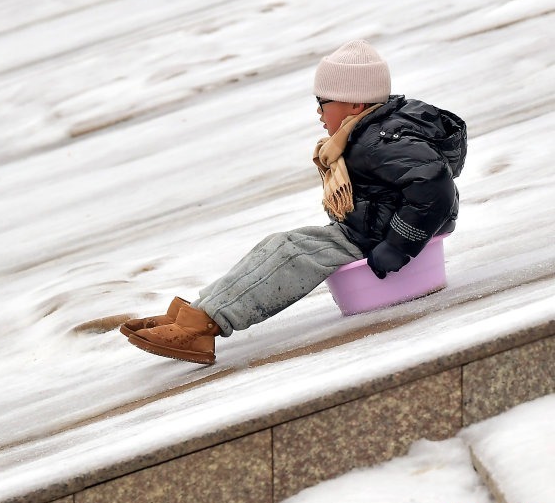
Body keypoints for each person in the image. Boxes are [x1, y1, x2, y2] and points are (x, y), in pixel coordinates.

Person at [120, 40, 467, 365]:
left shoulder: (378, 142)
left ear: (355, 105)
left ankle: (203, 328)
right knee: (278, 244)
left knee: (292, 255)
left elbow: (433, 185)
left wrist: (398, 245)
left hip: (381, 237)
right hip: (369, 228)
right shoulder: (368, 133)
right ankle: (196, 312)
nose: (318, 112)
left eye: (323, 102)